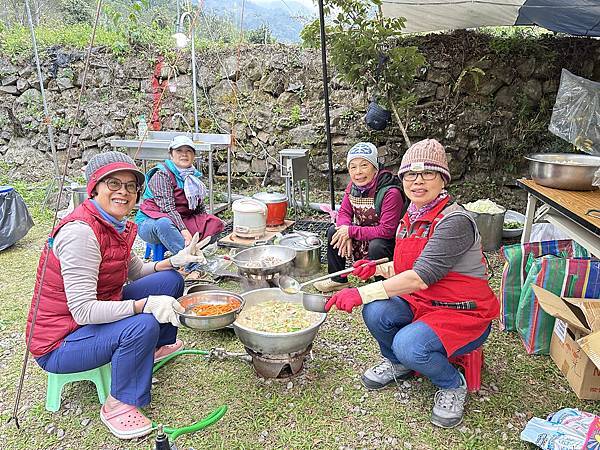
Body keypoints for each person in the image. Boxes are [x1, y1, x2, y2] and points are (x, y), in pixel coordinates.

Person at [25, 151, 207, 440]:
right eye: (113, 183)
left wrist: (174, 261)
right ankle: (118, 404)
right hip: (60, 341)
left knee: (169, 280)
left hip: (93, 319)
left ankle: (153, 349)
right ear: (94, 187)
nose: (123, 192)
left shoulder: (114, 224)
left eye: (131, 185)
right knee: (143, 322)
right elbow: (83, 312)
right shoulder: (81, 233)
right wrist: (143, 305)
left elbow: (135, 271)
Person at [325, 139, 499, 429]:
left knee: (408, 343)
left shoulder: (453, 221)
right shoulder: (412, 215)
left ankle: (452, 384)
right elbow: (409, 266)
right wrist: (378, 267)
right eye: (410, 175)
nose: (417, 182)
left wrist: (359, 292)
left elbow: (421, 276)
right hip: (423, 301)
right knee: (376, 311)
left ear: (443, 179)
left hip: (462, 311)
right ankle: (398, 363)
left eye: (427, 174)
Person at [314, 142, 406, 293]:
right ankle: (338, 279)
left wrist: (351, 232)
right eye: (353, 167)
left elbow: (387, 230)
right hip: (363, 235)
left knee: (377, 245)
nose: (358, 172)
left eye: (364, 165)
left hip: (388, 242)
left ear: (375, 167)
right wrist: (344, 231)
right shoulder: (353, 187)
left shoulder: (390, 192)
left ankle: (381, 286)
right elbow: (344, 212)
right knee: (333, 232)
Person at [136, 135, 224, 259]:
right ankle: (191, 264)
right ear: (171, 155)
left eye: (188, 151)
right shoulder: (162, 175)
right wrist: (184, 231)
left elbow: (198, 207)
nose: (184, 154)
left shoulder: (192, 177)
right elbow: (168, 209)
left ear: (193, 155)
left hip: (181, 219)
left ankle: (193, 250)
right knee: (164, 224)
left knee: (215, 223)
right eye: (179, 151)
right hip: (151, 222)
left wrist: (205, 220)